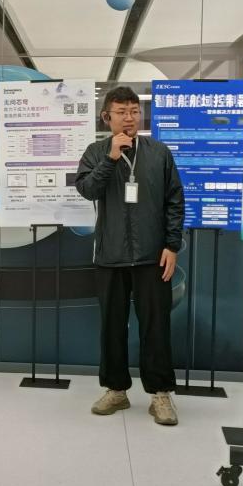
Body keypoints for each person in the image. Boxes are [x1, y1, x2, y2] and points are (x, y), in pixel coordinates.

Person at [75, 85, 185, 426]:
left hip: (153, 256)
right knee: (112, 327)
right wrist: (110, 158)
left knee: (156, 326)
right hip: (110, 255)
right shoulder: (95, 152)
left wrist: (172, 245)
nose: (129, 118)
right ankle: (116, 390)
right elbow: (87, 189)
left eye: (135, 111)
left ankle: (160, 394)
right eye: (121, 112)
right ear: (106, 117)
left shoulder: (159, 153)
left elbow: (174, 200)